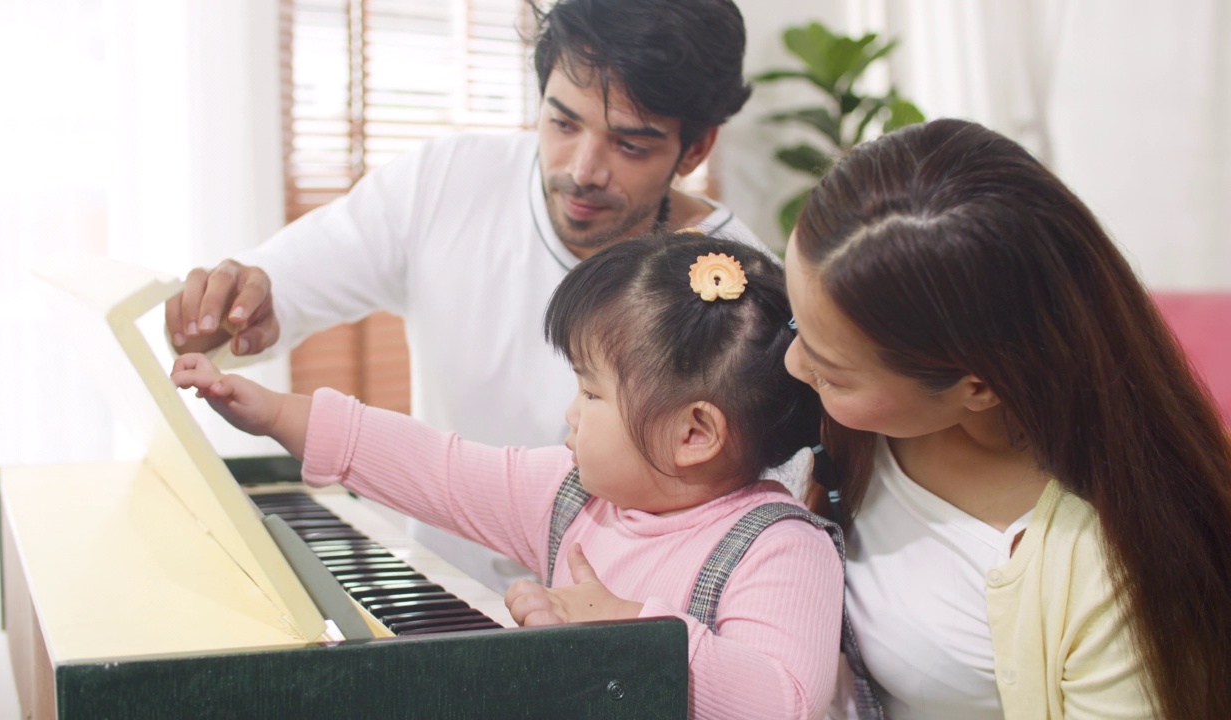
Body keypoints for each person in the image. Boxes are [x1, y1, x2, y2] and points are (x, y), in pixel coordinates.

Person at [164, 0, 767, 595]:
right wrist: (241, 305)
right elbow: (284, 283)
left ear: (695, 148)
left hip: (620, 645)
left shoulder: (741, 293)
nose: (584, 169)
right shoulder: (447, 182)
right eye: (562, 123)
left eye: (629, 145)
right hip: (432, 595)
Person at [174, 234, 844, 720]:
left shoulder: (780, 548)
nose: (569, 414)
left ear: (694, 433)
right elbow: (438, 470)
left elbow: (782, 702)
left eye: (590, 394)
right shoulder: (575, 493)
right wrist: (276, 415)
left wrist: (634, 628)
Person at [784, 118, 1231, 719]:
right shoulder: (867, 426)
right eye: (796, 325)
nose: (790, 364)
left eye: (832, 370)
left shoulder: (1113, 571)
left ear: (979, 385)